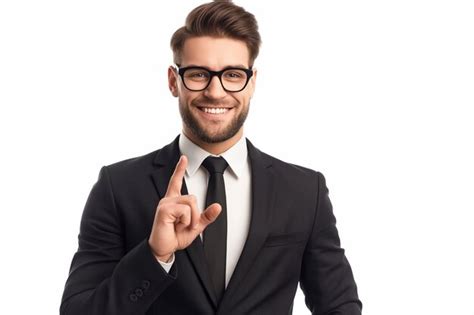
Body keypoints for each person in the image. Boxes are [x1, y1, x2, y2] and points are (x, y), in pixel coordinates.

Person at [60, 1, 362, 314]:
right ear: (173, 81)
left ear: (252, 82)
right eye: (199, 74)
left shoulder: (304, 191)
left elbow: (339, 306)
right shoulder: (118, 188)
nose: (216, 92)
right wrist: (154, 256)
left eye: (232, 74)